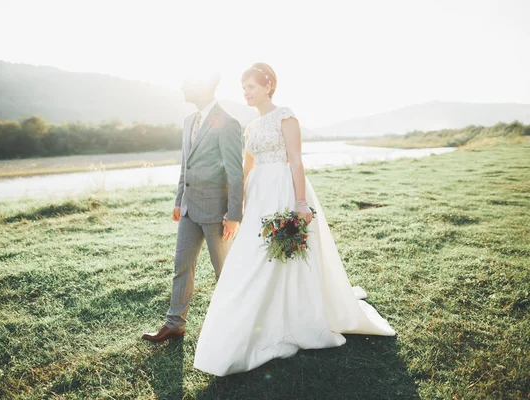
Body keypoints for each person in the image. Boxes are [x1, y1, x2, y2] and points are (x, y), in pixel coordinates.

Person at [193, 63, 396, 376]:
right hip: (258, 194)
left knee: (285, 255)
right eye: (243, 88)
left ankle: (295, 318)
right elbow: (247, 168)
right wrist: (241, 207)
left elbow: (296, 161)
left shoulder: (285, 117)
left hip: (283, 191)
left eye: (251, 87)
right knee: (252, 258)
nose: (246, 93)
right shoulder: (251, 127)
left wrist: (300, 203)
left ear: (268, 86)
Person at [141, 72, 244, 343]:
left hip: (216, 214)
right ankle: (175, 324)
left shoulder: (229, 123)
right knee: (181, 267)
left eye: (188, 82)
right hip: (189, 209)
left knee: (224, 271)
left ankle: (239, 325)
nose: (182, 86)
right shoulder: (189, 121)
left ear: (205, 87)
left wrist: (234, 215)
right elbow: (185, 165)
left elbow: (235, 173)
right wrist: (178, 200)